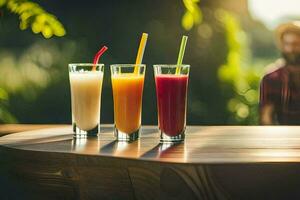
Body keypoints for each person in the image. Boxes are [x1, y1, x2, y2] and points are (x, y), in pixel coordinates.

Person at [260, 21, 300, 125]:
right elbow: (266, 117)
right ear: (281, 45)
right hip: (284, 137)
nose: (291, 49)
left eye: (296, 44)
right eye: (287, 44)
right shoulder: (271, 78)